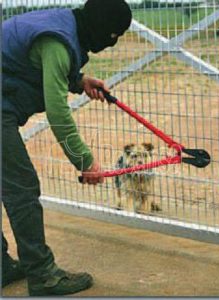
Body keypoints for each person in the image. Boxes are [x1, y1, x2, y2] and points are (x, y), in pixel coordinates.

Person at [2, 0, 132, 295]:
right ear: (104, 30)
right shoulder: (59, 43)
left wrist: (79, 80)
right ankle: (43, 274)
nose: (112, 43)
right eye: (115, 36)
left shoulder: (63, 23)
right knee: (21, 188)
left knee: (8, 183)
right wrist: (84, 161)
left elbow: (30, 62)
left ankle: (1, 267)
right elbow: (57, 112)